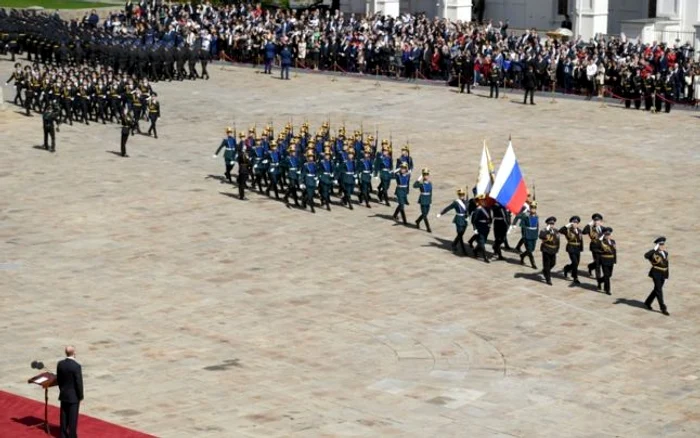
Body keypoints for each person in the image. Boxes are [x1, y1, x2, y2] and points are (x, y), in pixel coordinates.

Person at [57, 345, 83, 438]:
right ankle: (72, 436)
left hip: (63, 394)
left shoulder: (60, 364)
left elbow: (59, 380)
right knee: (73, 418)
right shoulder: (76, 366)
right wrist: (80, 396)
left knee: (63, 417)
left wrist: (62, 390)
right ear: (73, 353)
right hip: (74, 396)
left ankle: (63, 435)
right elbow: (78, 383)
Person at [437, 188, 469, 255]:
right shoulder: (456, 202)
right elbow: (448, 208)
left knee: (461, 234)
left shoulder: (466, 201)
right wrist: (441, 213)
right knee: (460, 235)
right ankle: (464, 250)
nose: (462, 196)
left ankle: (454, 244)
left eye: (463, 194)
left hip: (465, 219)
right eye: (460, 195)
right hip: (459, 219)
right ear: (458, 195)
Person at [644, 237, 670, 315]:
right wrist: (654, 249)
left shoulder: (665, 253)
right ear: (657, 246)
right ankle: (663, 308)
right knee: (659, 290)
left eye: (663, 245)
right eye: (660, 245)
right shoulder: (653, 253)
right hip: (656, 273)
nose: (662, 246)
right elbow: (646, 256)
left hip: (663, 274)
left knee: (657, 289)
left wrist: (666, 275)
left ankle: (648, 302)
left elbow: (666, 265)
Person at [514, 201, 539, 268]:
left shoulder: (536, 216)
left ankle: (522, 255)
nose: (533, 209)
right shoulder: (526, 216)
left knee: (532, 249)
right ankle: (533, 263)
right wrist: (524, 236)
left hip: (533, 235)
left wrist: (536, 235)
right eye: (532, 208)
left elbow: (537, 226)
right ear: (529, 208)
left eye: (534, 208)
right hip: (527, 235)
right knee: (530, 251)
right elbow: (523, 226)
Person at [560, 216, 584, 284]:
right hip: (571, 248)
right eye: (573, 223)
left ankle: (567, 268)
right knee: (575, 262)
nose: (575, 224)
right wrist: (568, 225)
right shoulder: (568, 230)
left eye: (576, 223)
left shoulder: (579, 230)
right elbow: (560, 230)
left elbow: (581, 240)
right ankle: (575, 277)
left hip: (577, 248)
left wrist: (581, 248)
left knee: (576, 263)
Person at [582, 213, 604, 281]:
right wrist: (589, 224)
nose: (597, 222)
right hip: (594, 247)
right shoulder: (590, 228)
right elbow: (584, 232)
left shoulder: (603, 228)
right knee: (597, 263)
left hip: (602, 248)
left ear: (600, 221)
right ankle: (598, 278)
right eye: (595, 221)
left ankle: (591, 266)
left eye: (598, 220)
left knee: (601, 262)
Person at [539, 216, 560, 285]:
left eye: (552, 224)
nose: (552, 225)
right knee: (547, 264)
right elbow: (541, 236)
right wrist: (547, 229)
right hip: (546, 249)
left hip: (553, 250)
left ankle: (545, 270)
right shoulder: (544, 231)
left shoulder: (556, 231)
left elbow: (557, 241)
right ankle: (548, 279)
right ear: (548, 224)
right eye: (550, 224)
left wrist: (557, 249)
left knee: (553, 263)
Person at [596, 227, 616, 295]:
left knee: (609, 275)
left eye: (609, 234)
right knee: (607, 276)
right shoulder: (601, 242)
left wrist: (614, 260)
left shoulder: (613, 241)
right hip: (604, 260)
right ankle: (607, 290)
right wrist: (602, 237)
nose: (608, 236)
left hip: (611, 260)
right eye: (606, 235)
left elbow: (614, 251)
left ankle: (600, 280)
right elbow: (596, 244)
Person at [472, 195, 492, 263]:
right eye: (482, 200)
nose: (483, 201)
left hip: (486, 227)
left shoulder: (487, 208)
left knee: (483, 241)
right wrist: (475, 229)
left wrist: (490, 223)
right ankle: (485, 257)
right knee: (482, 242)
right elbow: (474, 220)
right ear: (479, 201)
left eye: (484, 200)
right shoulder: (478, 209)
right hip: (480, 227)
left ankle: (475, 250)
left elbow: (489, 217)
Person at [413, 168, 432, 232]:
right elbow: (414, 185)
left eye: (427, 174)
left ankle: (418, 221)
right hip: (423, 200)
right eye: (424, 175)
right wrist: (419, 177)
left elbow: (430, 193)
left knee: (425, 214)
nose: (426, 176)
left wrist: (430, 200)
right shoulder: (421, 184)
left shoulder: (430, 183)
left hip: (428, 201)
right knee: (424, 215)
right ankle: (428, 227)